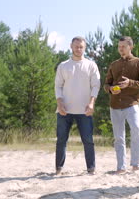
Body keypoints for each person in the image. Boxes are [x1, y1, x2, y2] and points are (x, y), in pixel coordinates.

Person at [54, 36, 101, 175]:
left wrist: (92, 103)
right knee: (61, 140)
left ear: (84, 48)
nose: (78, 49)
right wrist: (60, 103)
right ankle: (58, 168)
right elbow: (58, 86)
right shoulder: (63, 66)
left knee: (88, 140)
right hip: (64, 109)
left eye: (81, 47)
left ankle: (91, 169)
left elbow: (95, 86)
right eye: (76, 46)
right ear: (71, 46)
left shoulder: (91, 65)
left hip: (84, 110)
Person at [104, 36, 139, 174]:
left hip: (132, 103)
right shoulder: (114, 65)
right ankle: (121, 167)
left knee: (136, 130)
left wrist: (130, 82)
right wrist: (110, 89)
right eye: (119, 46)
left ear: (131, 47)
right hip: (115, 105)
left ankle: (135, 164)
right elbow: (106, 84)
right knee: (119, 137)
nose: (120, 49)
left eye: (123, 46)